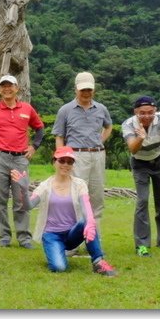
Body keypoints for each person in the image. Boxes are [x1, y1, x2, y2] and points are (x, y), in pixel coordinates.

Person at [11, 146, 118, 277]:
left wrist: (90, 223)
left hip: (72, 233)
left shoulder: (79, 184)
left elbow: (86, 207)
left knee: (88, 221)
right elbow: (28, 206)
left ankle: (98, 262)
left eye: (70, 161)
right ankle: (56, 252)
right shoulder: (45, 186)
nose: (65, 165)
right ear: (54, 162)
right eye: (62, 161)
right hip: (52, 235)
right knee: (60, 267)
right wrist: (23, 188)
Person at [0, 74, 44, 248]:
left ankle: (24, 237)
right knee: (0, 200)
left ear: (16, 88)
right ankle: (4, 237)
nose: (7, 89)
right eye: (3, 86)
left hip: (20, 159)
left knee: (21, 198)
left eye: (10, 85)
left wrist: (33, 146)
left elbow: (39, 128)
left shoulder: (26, 109)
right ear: (0, 89)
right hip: (1, 158)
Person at [121, 96, 160, 257]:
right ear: (135, 112)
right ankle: (142, 245)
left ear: (155, 111)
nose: (147, 116)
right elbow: (133, 149)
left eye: (150, 112)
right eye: (142, 113)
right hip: (140, 164)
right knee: (143, 201)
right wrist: (140, 137)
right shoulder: (128, 124)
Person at [52, 72, 113, 224]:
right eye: (82, 89)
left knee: (96, 198)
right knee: (76, 197)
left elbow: (108, 126)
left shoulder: (101, 108)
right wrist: (61, 159)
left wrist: (100, 140)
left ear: (94, 90)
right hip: (76, 156)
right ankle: (74, 242)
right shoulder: (65, 110)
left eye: (89, 89)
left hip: (97, 156)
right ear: (76, 90)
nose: (86, 93)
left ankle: (94, 241)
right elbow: (59, 136)